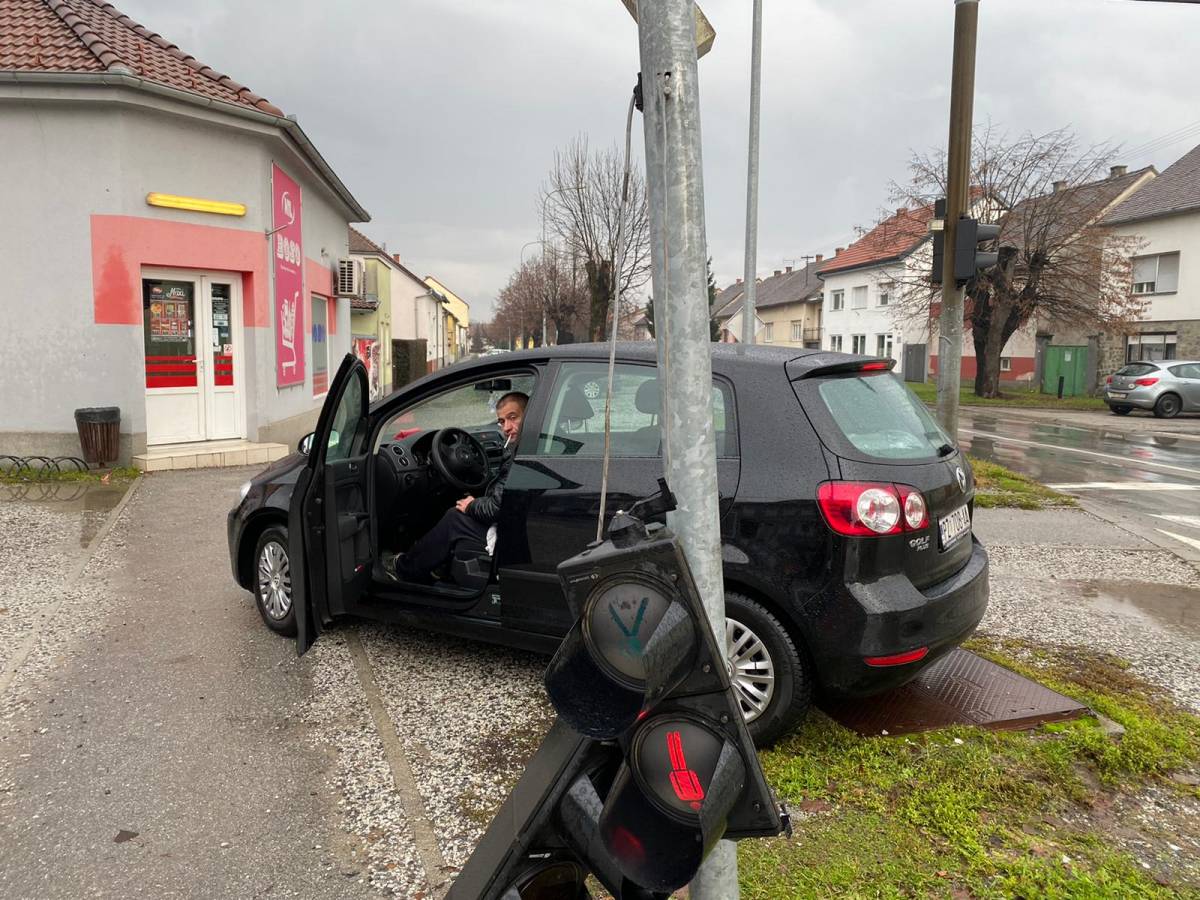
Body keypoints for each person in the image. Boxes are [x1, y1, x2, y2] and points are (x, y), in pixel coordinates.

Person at [385, 391, 528, 583]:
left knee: (455, 517)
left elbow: (496, 509)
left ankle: (403, 569)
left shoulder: (520, 455)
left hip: (511, 534)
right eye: (502, 422)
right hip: (519, 525)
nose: (507, 428)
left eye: (513, 418)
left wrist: (471, 505)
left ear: (528, 415)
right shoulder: (524, 447)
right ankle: (439, 564)